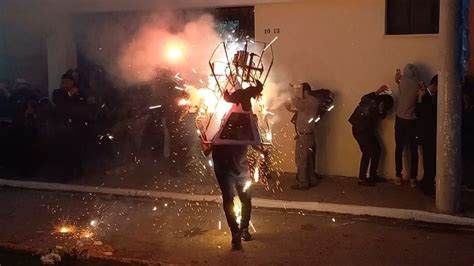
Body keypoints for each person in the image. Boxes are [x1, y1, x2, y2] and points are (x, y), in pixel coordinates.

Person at [202, 81, 263, 250]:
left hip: (234, 165)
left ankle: (238, 231)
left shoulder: (229, 118)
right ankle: (239, 231)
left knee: (234, 198)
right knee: (240, 198)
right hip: (229, 165)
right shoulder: (219, 119)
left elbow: (206, 148)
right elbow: (206, 146)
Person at [285, 83, 333, 190]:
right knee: (308, 159)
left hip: (305, 135)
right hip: (305, 135)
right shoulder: (310, 102)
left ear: (305, 91)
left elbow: (297, 104)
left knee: (301, 160)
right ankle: (311, 180)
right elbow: (295, 108)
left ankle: (303, 183)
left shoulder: (309, 101)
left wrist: (293, 92)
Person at [349, 85, 394, 186]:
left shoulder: (377, 103)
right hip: (360, 129)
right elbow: (364, 99)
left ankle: (372, 175)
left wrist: (381, 109)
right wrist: (377, 93)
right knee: (368, 152)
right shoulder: (371, 100)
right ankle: (362, 178)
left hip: (365, 130)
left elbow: (382, 116)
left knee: (377, 150)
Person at [52, 71, 89, 179]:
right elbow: (60, 105)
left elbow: (83, 105)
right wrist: (69, 95)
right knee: (65, 151)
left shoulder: (79, 93)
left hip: (77, 126)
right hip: (63, 126)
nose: (65, 84)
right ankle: (66, 173)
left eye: (68, 82)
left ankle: (78, 169)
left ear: (73, 82)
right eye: (63, 82)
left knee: (77, 149)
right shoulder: (58, 93)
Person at [394, 65, 420, 187]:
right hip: (413, 121)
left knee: (399, 148)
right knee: (414, 150)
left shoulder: (402, 81)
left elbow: (398, 80)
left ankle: (398, 175)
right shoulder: (419, 83)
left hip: (400, 119)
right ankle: (413, 178)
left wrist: (398, 77)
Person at [415, 75, 438, 196]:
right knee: (429, 161)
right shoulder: (424, 96)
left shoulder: (433, 97)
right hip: (426, 134)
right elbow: (418, 112)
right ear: (435, 84)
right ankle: (427, 185)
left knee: (430, 160)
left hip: (431, 134)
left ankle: (426, 182)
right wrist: (420, 98)